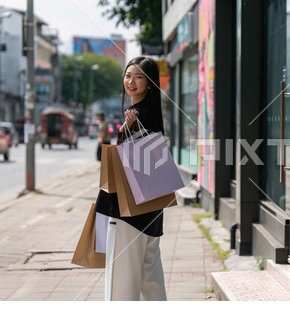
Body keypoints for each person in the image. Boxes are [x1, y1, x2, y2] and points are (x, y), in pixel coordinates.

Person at [95, 56, 167, 301]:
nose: (131, 81)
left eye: (138, 77)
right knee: (151, 279)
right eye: (128, 75)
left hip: (129, 210)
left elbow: (135, 163)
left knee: (121, 283)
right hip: (151, 209)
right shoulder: (150, 114)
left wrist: (128, 130)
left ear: (149, 84)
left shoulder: (139, 116)